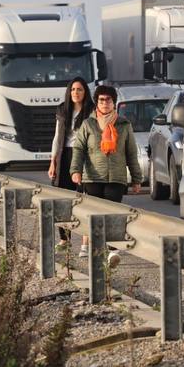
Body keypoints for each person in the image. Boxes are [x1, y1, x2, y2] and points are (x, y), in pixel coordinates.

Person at [70, 85, 143, 257]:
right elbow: (79, 148)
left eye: (108, 100)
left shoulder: (124, 124)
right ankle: (91, 248)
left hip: (116, 178)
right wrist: (76, 170)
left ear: (114, 103)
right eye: (101, 100)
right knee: (94, 214)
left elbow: (131, 152)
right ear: (96, 103)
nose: (105, 103)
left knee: (113, 214)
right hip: (92, 177)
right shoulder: (88, 124)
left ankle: (112, 250)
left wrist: (136, 178)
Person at [49, 77, 93, 190]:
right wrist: (53, 161)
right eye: (73, 89)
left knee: (83, 189)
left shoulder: (92, 111)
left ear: (85, 92)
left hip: (85, 155)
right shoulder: (62, 109)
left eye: (79, 89)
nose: (75, 92)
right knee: (65, 190)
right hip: (65, 155)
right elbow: (57, 138)